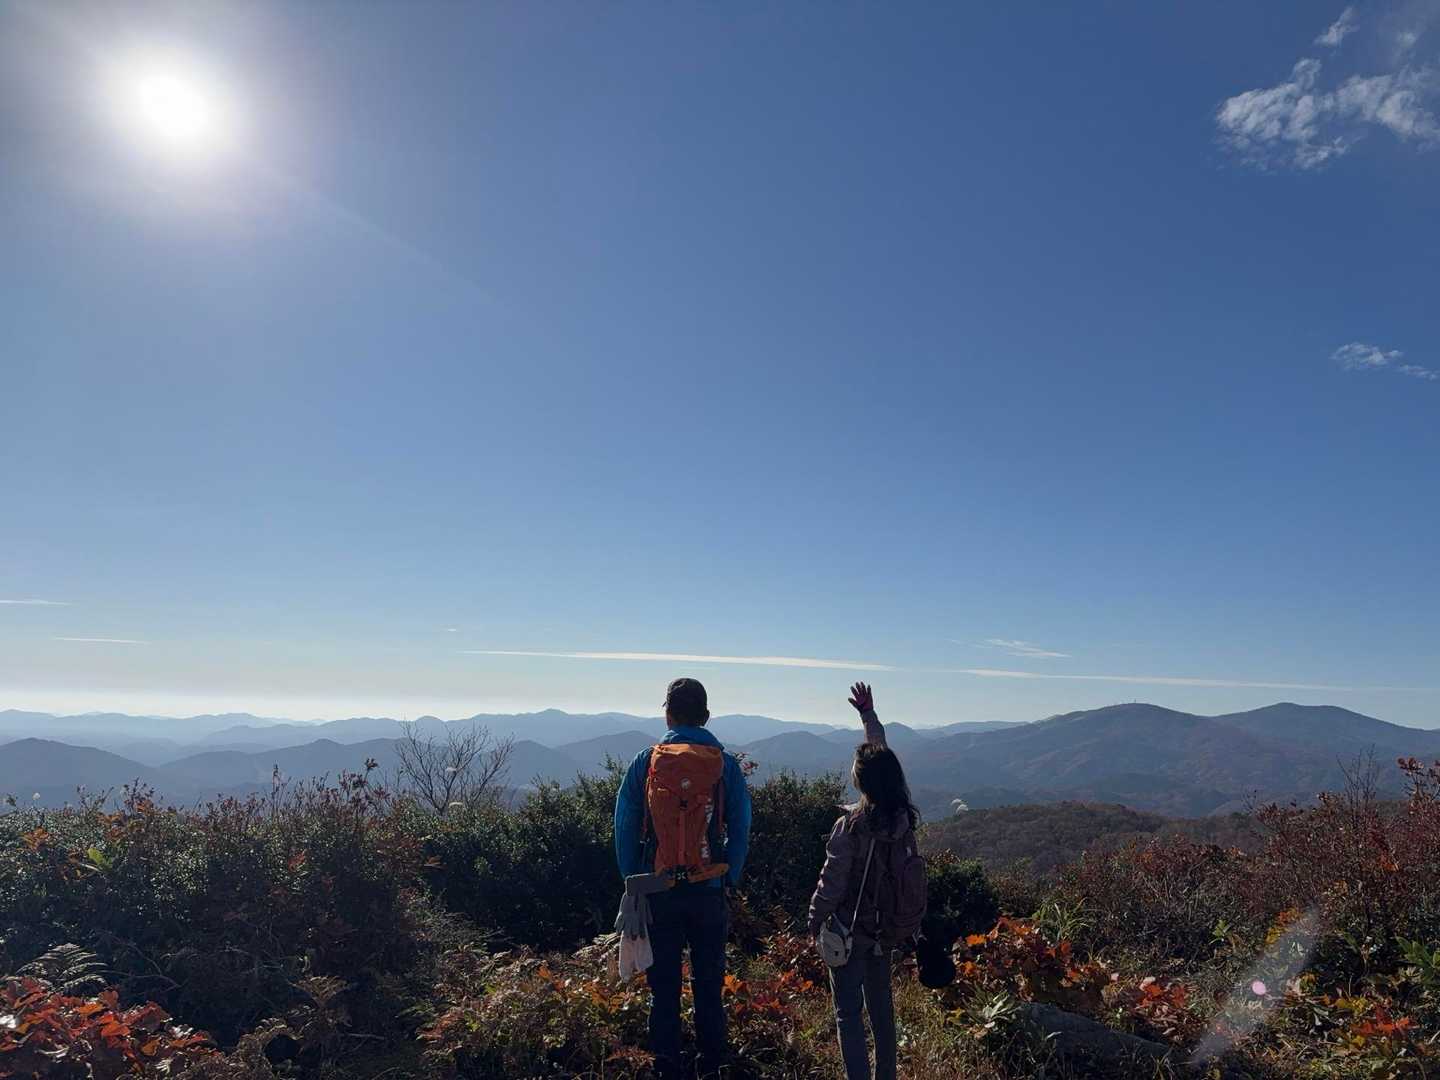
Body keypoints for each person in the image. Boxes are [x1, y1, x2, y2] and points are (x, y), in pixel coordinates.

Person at [614, 677, 752, 1079]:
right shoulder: (724, 765)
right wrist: (731, 875)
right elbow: (741, 826)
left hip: (659, 889)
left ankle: (667, 1066)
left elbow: (624, 826)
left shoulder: (647, 761)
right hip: (709, 887)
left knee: (664, 988)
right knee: (709, 984)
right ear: (706, 716)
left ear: (668, 714)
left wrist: (633, 879)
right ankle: (712, 1066)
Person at [807, 682, 920, 1080]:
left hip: (849, 931)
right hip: (885, 929)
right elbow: (882, 761)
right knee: (882, 1010)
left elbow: (831, 883)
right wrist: (868, 717)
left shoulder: (851, 827)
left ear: (861, 783)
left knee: (848, 1013)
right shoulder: (901, 819)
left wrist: (814, 921)